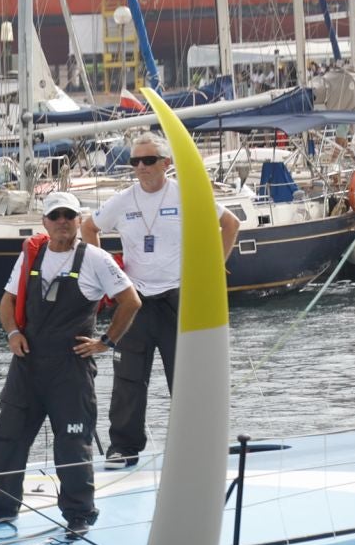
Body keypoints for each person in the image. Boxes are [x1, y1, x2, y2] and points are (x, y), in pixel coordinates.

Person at [0, 194, 140, 538]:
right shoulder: (33, 255)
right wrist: (13, 332)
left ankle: (79, 513)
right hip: (26, 364)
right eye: (55, 215)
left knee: (72, 443)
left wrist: (105, 342)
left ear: (79, 220)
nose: (62, 221)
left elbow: (131, 301)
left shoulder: (96, 258)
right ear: (45, 222)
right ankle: (1, 506)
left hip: (70, 369)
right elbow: (7, 301)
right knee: (7, 435)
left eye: (69, 215)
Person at [81, 131, 239, 468]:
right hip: (135, 302)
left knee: (184, 378)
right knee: (128, 380)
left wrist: (213, 269)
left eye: (149, 160)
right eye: (135, 161)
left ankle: (195, 446)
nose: (141, 167)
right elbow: (88, 228)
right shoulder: (123, 200)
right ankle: (123, 447)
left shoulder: (186, 193)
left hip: (177, 298)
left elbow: (230, 224)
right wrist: (108, 274)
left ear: (166, 163)